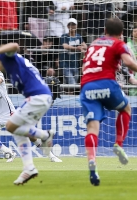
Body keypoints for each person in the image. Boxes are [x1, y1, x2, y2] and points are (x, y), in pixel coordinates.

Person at [0, 43, 54, 185]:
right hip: (40, 98)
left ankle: (45, 135)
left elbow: (14, 45)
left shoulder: (8, 58)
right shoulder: (13, 68)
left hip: (38, 97)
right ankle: (29, 168)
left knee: (11, 125)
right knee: (17, 130)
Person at [80, 18, 137, 186]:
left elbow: (86, 67)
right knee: (125, 108)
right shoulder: (119, 43)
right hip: (106, 84)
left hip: (87, 86)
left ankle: (92, 161)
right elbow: (128, 62)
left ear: (104, 30)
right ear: (121, 33)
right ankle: (118, 144)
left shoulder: (94, 43)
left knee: (92, 127)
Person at [59, 18, 87, 84]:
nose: (72, 26)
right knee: (73, 84)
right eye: (70, 25)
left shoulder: (79, 36)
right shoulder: (64, 36)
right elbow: (65, 46)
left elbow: (85, 46)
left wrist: (81, 47)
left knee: (71, 87)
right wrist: (77, 48)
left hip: (75, 65)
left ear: (76, 26)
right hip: (65, 65)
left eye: (73, 25)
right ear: (67, 26)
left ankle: (68, 94)